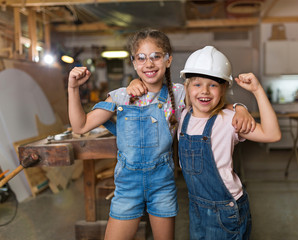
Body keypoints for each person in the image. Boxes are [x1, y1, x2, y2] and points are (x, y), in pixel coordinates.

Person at [68, 29, 255, 240]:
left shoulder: (178, 93)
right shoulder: (120, 96)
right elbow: (80, 126)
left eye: (156, 56)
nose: (149, 64)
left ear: (168, 60)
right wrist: (73, 88)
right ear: (134, 62)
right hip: (127, 189)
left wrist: (240, 107)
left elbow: (211, 99)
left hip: (162, 186)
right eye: (141, 58)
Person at [177, 46, 281, 240]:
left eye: (213, 85)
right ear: (187, 88)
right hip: (196, 208)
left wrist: (257, 92)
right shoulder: (183, 116)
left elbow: (272, 134)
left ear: (224, 88)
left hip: (226, 210)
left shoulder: (229, 120)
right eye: (197, 84)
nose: (204, 91)